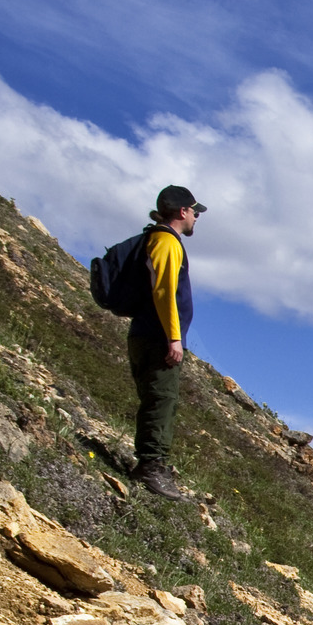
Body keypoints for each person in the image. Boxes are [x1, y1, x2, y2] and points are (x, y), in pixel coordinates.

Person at [129, 184, 204, 484]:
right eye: (195, 211)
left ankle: (152, 463)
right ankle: (150, 467)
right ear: (183, 211)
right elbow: (164, 292)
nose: (197, 217)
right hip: (157, 337)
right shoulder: (167, 243)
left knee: (157, 398)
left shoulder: (157, 239)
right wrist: (174, 338)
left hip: (146, 332)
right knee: (162, 399)